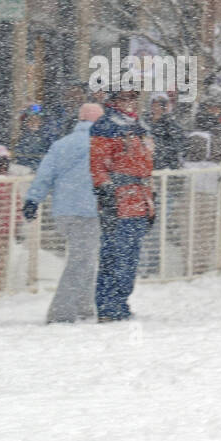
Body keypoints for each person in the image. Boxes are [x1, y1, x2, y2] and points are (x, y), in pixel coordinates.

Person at [23, 103, 103, 323]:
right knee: (81, 261)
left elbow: (45, 175)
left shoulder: (61, 144)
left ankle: (84, 307)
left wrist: (33, 200)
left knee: (85, 259)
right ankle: (62, 312)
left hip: (64, 211)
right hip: (89, 210)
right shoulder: (102, 144)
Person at [90, 86, 156, 322]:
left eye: (134, 97)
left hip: (138, 198)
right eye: (125, 97)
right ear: (115, 99)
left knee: (129, 257)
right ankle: (108, 307)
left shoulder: (139, 126)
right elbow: (98, 164)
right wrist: (105, 192)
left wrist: (150, 199)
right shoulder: (107, 125)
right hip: (118, 200)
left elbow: (146, 165)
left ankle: (120, 303)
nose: (131, 102)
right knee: (114, 257)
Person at [14, 105, 53, 171]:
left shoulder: (46, 138)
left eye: (36, 120)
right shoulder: (22, 138)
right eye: (31, 120)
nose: (33, 123)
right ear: (26, 123)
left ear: (41, 122)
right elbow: (20, 157)